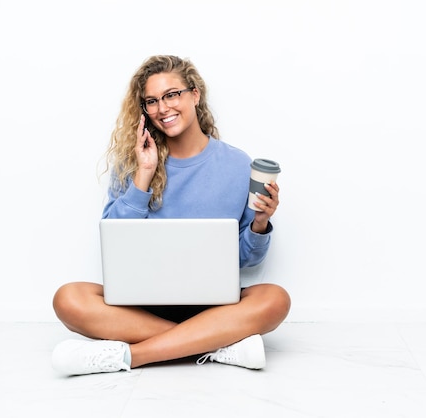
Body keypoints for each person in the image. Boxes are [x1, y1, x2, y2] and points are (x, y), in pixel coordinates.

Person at [51, 55, 291, 375]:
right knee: (68, 298)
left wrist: (260, 223)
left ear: (195, 94)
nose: (163, 108)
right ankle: (218, 346)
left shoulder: (236, 165)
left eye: (172, 94)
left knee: (275, 299)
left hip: (214, 306)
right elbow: (114, 240)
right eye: (152, 101)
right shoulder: (134, 163)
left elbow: (246, 260)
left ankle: (131, 356)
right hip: (141, 306)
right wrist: (144, 175)